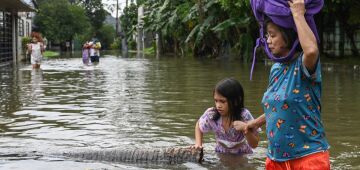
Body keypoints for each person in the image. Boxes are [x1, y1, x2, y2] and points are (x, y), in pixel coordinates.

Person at [246, 0, 330, 169]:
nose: (268, 41)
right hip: (275, 159)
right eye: (267, 35)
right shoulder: (276, 69)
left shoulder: (304, 66)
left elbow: (312, 50)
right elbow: (279, 107)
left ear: (287, 35)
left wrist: (298, 14)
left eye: (273, 35)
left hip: (308, 158)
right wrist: (255, 123)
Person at [192, 78, 260, 155]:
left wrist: (245, 128)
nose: (218, 106)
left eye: (222, 101)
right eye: (216, 101)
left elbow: (255, 144)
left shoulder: (244, 116)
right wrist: (198, 144)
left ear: (236, 101)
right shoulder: (212, 115)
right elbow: (199, 125)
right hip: (220, 154)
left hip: (242, 155)